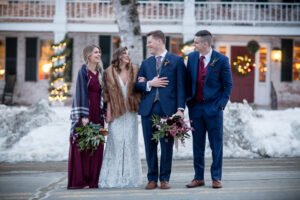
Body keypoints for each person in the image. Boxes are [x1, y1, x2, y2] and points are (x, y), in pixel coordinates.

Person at [135, 30, 186, 190]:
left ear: (159, 42)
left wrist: (180, 109)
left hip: (168, 111)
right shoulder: (146, 63)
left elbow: (181, 87)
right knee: (150, 146)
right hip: (148, 110)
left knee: (166, 145)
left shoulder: (176, 61)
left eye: (150, 42)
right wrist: (150, 83)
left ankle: (164, 179)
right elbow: (137, 85)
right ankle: (151, 179)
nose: (148, 45)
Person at [185, 30, 233, 189]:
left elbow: (228, 85)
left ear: (205, 44)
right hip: (195, 108)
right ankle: (198, 177)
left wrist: (221, 105)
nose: (194, 45)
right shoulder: (192, 58)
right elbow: (187, 80)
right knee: (197, 145)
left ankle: (216, 177)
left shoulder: (221, 60)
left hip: (214, 109)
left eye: (196, 42)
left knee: (216, 145)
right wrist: (188, 102)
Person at [98, 47, 142, 188]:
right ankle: (112, 178)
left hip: (131, 111)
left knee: (130, 144)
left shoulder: (136, 69)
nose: (127, 56)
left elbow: (140, 88)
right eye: (124, 53)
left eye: (128, 53)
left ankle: (131, 179)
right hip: (116, 112)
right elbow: (107, 95)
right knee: (115, 143)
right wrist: (109, 113)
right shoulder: (108, 72)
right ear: (118, 55)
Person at [68, 45, 105, 189]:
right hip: (86, 112)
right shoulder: (83, 71)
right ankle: (80, 181)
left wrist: (105, 112)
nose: (99, 54)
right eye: (96, 52)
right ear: (88, 55)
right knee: (82, 146)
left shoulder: (101, 71)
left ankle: (93, 180)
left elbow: (104, 94)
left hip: (98, 113)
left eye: (99, 52)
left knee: (96, 146)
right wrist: (83, 116)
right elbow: (81, 92)